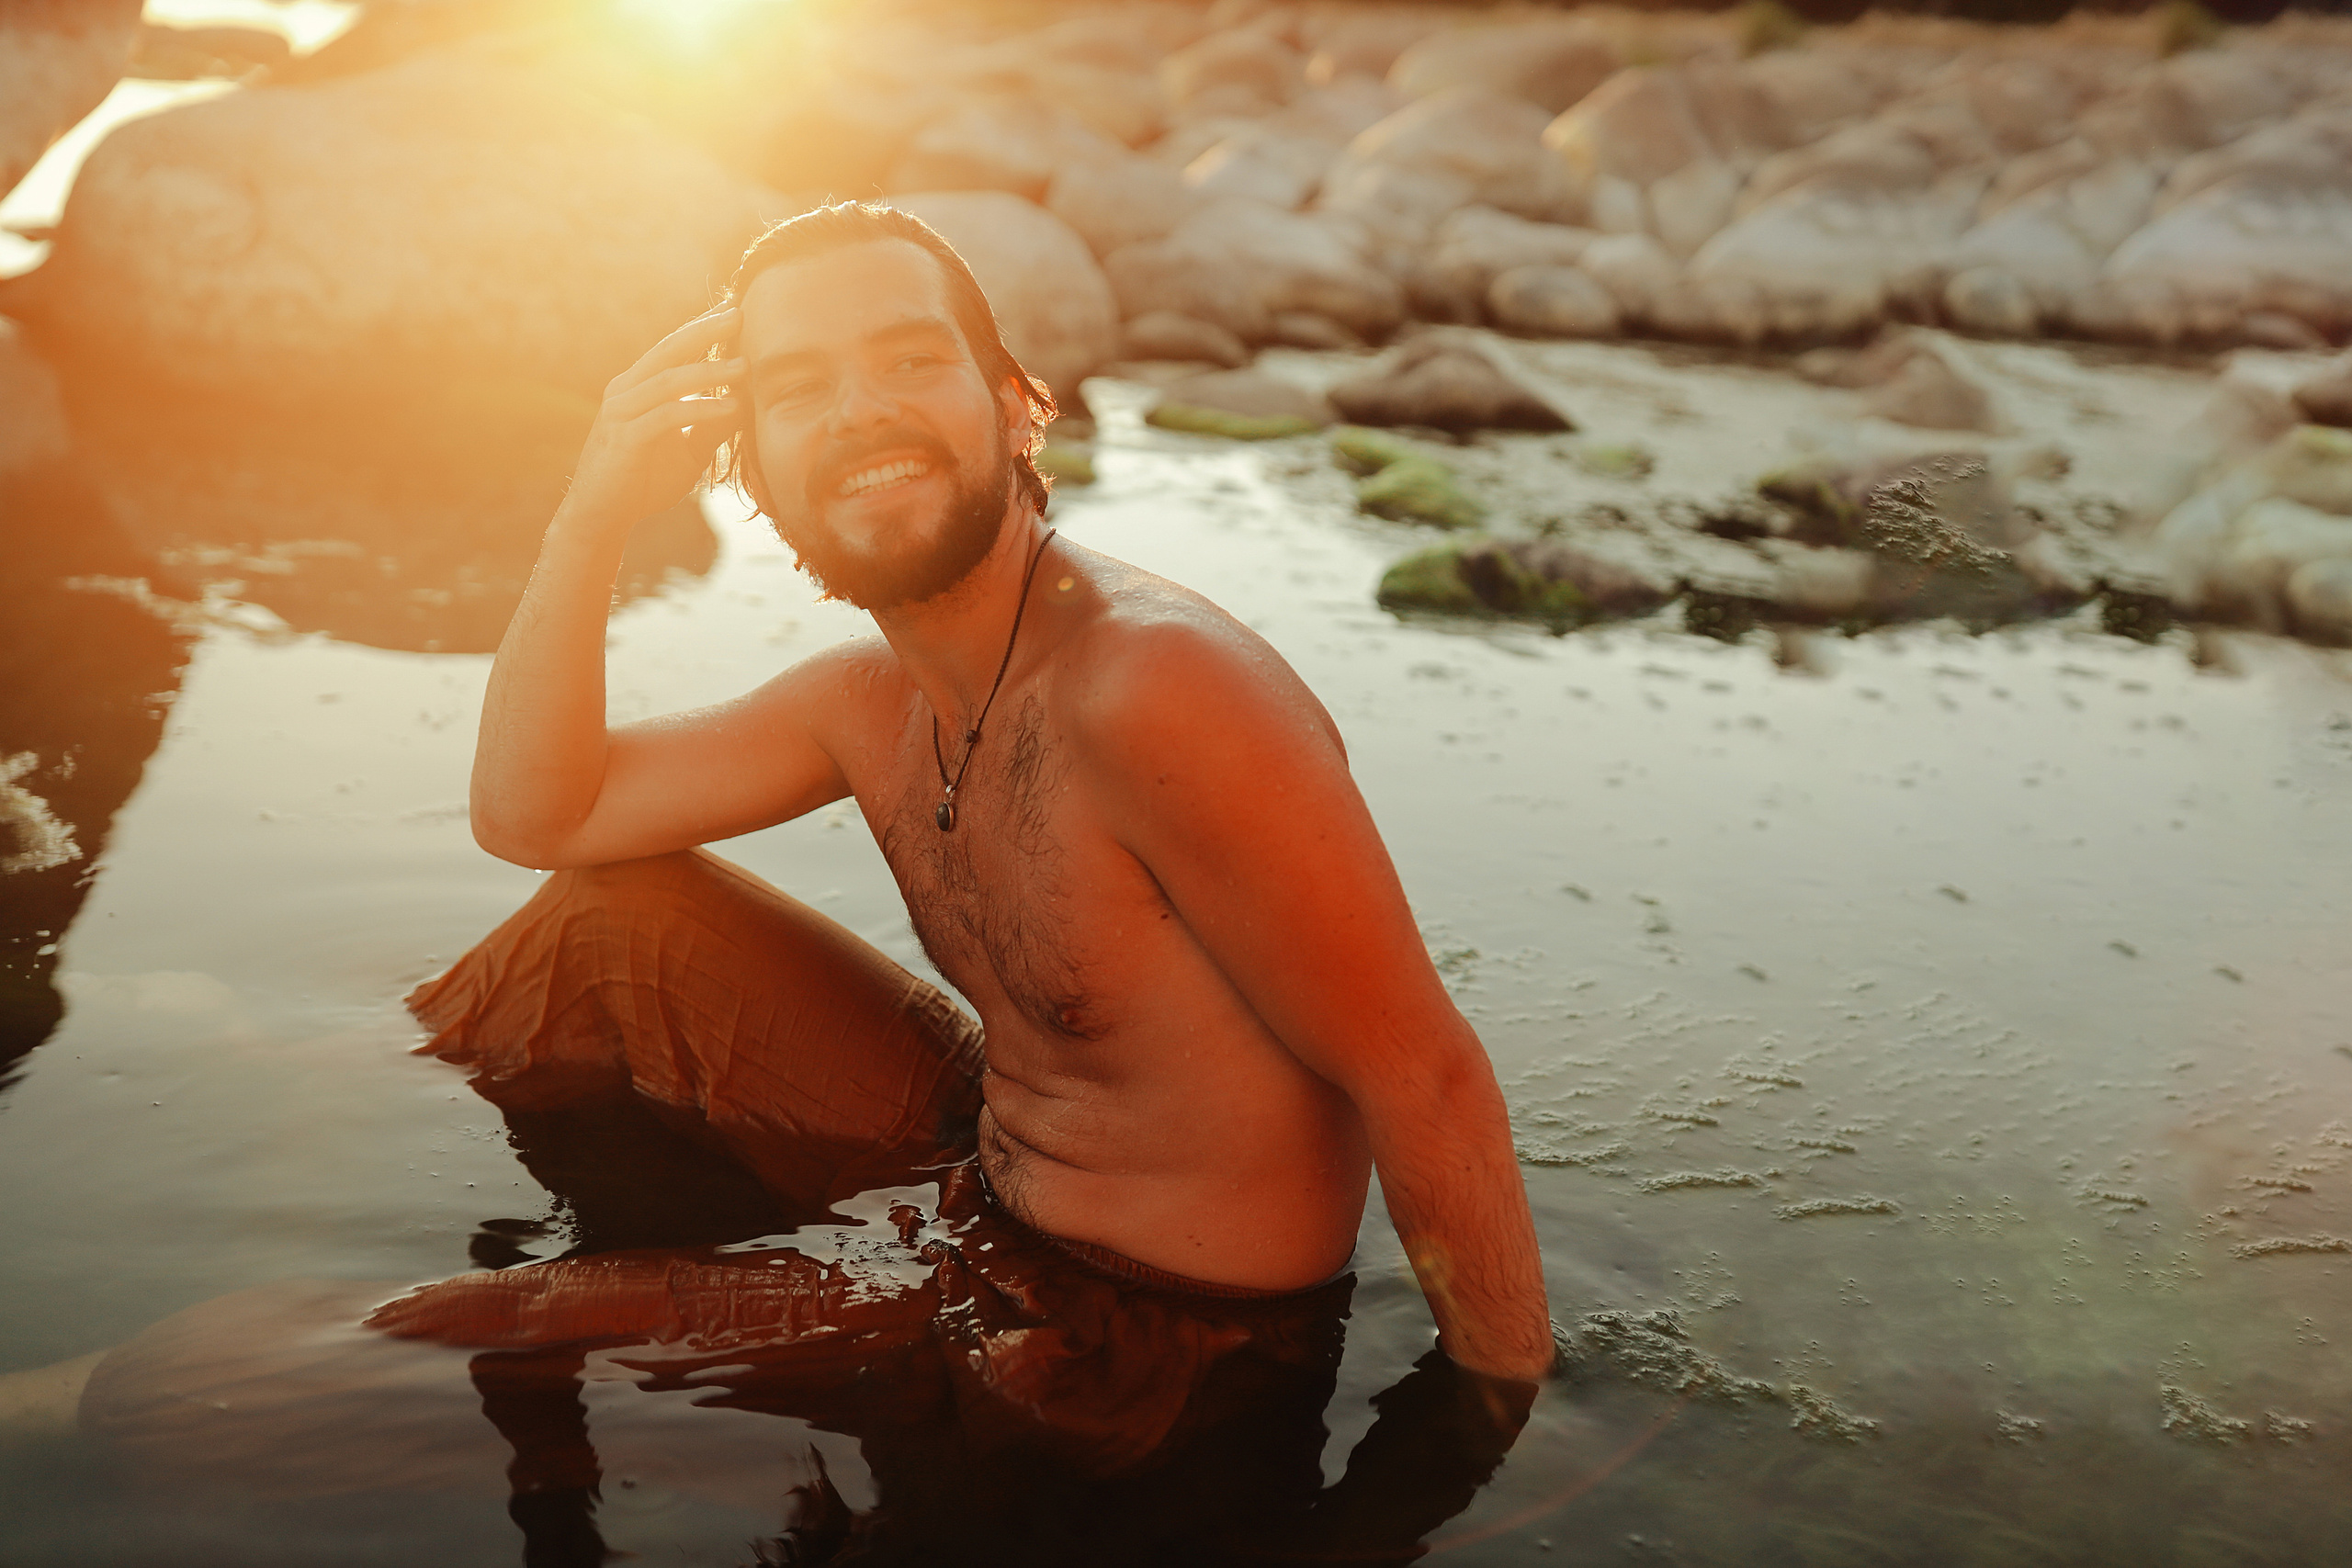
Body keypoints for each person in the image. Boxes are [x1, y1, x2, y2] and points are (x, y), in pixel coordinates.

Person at [3, 202, 1554, 1560]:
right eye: (797, 390)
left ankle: (77, 1398)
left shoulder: (1156, 692)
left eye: (907, 360)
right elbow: (538, 813)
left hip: (1123, 1339)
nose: (860, 412)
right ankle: (313, 1099)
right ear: (751, 469)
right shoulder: (870, 700)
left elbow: (1421, 1073)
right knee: (615, 927)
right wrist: (595, 505)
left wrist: (1477, 1459)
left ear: (1021, 407)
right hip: (990, 1166)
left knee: (329, 1371)